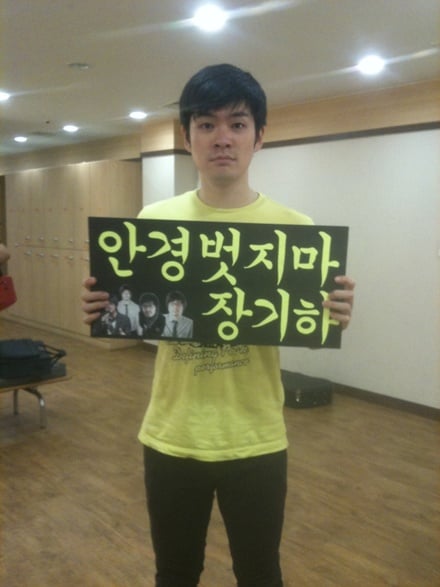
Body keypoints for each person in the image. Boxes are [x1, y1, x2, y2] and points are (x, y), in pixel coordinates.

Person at [82, 63, 355, 587]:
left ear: (259, 136)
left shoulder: (296, 233)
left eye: (237, 123)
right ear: (187, 138)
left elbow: (307, 323)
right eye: (206, 124)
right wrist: (104, 307)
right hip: (171, 434)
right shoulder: (154, 222)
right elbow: (141, 319)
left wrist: (335, 312)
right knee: (175, 573)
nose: (222, 137)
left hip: (257, 437)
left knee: (260, 573)